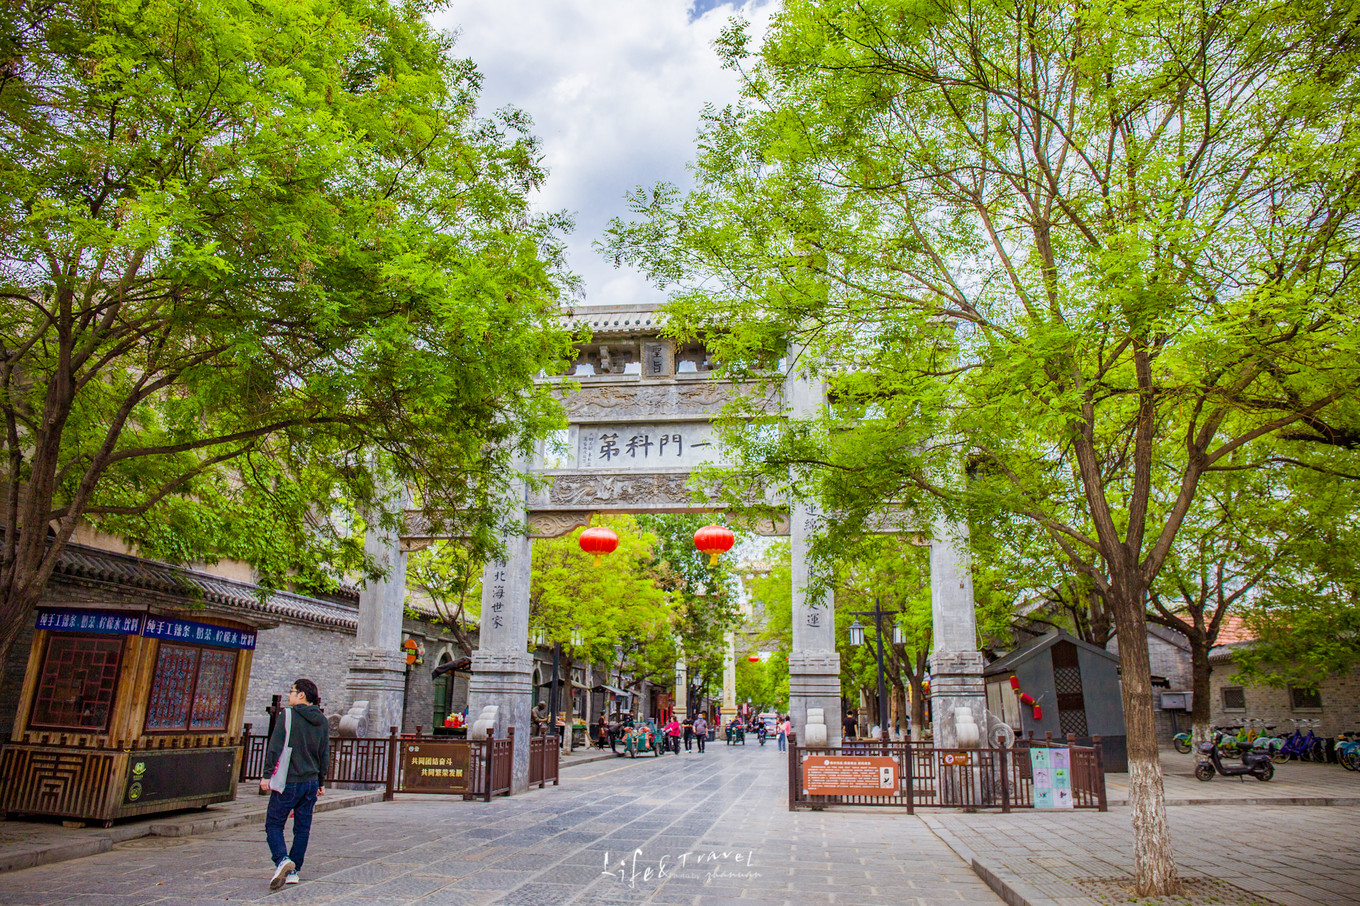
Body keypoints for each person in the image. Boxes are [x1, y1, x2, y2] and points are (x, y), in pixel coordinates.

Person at [261, 678, 328, 890]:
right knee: (302, 828)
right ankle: (294, 871)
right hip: (310, 782)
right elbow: (324, 754)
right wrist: (321, 782)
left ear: (301, 695)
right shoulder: (322, 721)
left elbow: (275, 747)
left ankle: (282, 860)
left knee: (273, 823)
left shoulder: (288, 715)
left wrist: (266, 775)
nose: (289, 695)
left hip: (288, 781)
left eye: (292, 691)